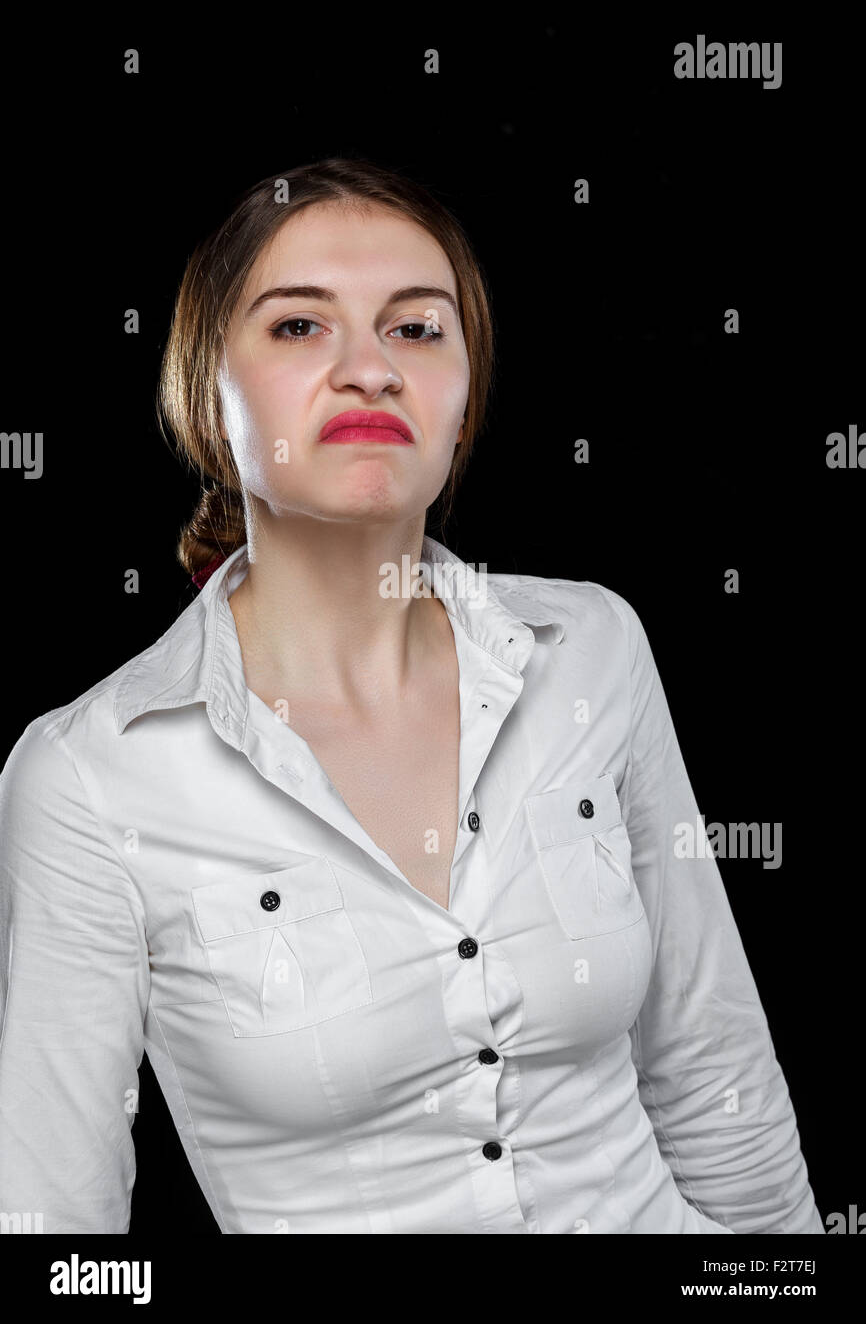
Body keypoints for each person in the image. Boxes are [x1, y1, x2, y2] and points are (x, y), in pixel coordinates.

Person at [0, 158, 824, 1234]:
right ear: (207, 388)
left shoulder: (590, 647)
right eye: (299, 327)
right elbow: (58, 1228)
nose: (368, 369)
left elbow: (709, 1057)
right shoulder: (88, 775)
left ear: (464, 390)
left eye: (415, 328)